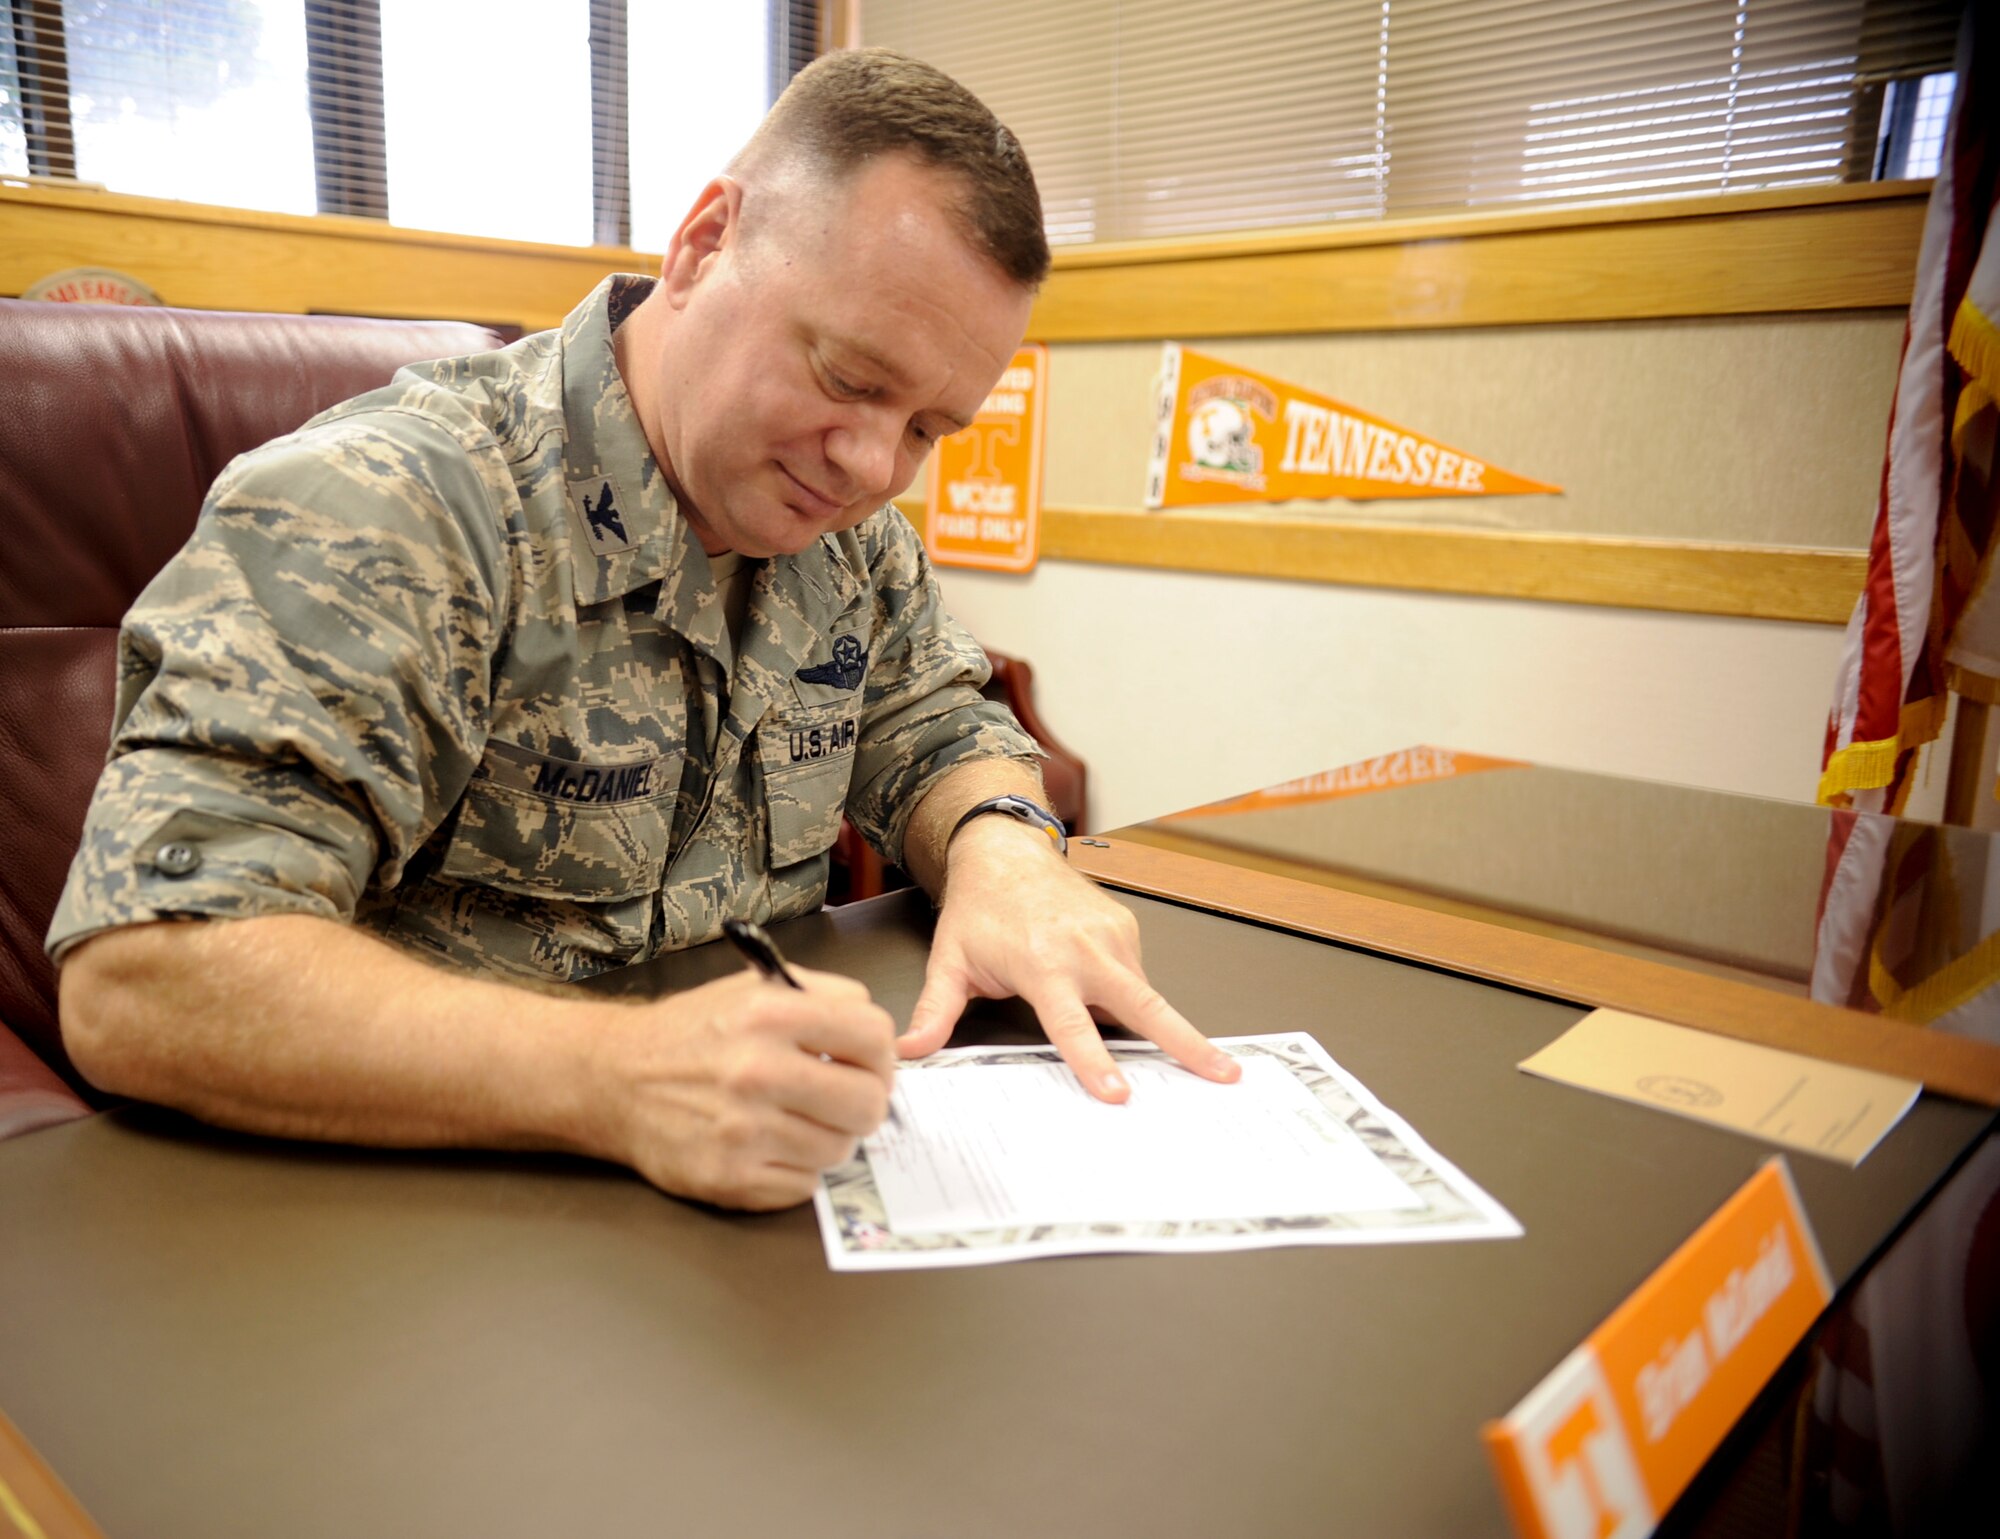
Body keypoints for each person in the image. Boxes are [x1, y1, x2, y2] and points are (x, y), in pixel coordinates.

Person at [48, 49, 1239, 1212]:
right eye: (849, 378)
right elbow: (147, 975)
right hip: (408, 1219)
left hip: (746, 1203)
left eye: (929, 427)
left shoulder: (844, 535)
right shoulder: (391, 508)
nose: (875, 465)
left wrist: (1005, 853)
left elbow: (934, 720)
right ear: (703, 244)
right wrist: (618, 1080)